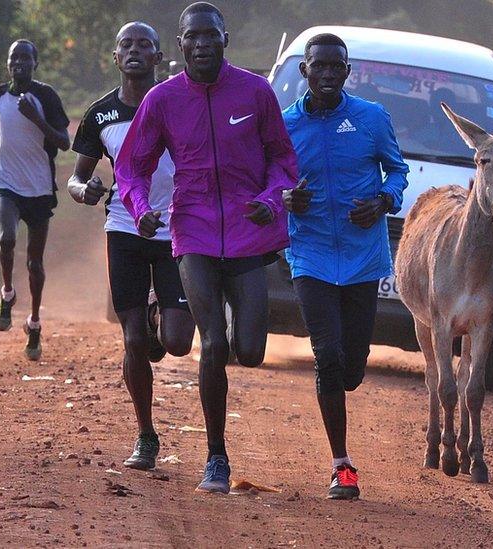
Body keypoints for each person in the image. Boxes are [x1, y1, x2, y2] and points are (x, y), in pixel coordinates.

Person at [115, 2, 298, 493]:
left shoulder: (255, 92)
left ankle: (234, 328)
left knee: (251, 351)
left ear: (224, 40)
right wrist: (139, 209)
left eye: (209, 35)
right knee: (212, 343)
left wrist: (268, 199)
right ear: (179, 45)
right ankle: (217, 457)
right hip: (192, 230)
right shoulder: (163, 98)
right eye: (191, 37)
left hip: (247, 233)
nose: (201, 44)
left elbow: (283, 159)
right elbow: (131, 166)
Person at [281, 33, 409, 499]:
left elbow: (397, 171)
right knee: (327, 356)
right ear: (305, 71)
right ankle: (342, 466)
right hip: (309, 253)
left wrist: (382, 202)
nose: (329, 74)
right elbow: (266, 181)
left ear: (348, 72)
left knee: (351, 367)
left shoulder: (371, 118)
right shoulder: (284, 125)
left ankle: (350, 369)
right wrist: (284, 198)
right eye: (320, 67)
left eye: (338, 67)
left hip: (361, 258)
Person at [68, 21, 196, 470]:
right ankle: (146, 435)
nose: (135, 50)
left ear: (160, 58)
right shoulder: (100, 114)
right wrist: (83, 190)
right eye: (127, 44)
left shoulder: (181, 103)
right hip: (124, 228)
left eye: (146, 44)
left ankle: (159, 310)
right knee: (133, 339)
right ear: (116, 58)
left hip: (178, 230)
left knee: (178, 343)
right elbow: (76, 176)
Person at [0, 39, 70, 361]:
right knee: (6, 238)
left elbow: (63, 142)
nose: (18, 63)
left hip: (39, 190)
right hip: (6, 183)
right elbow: (1, 121)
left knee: (34, 263)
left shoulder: (46, 97)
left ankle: (34, 324)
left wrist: (36, 118)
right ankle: (7, 294)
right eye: (13, 58)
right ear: (8, 64)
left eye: (24, 59)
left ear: (35, 64)